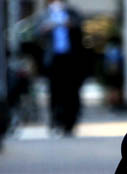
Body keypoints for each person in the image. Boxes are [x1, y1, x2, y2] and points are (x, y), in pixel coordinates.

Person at [37, 0, 84, 135]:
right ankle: (55, 121)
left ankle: (70, 123)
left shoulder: (71, 13)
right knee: (55, 92)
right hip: (53, 59)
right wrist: (48, 27)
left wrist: (68, 23)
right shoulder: (45, 15)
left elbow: (80, 25)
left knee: (71, 91)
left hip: (71, 59)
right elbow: (37, 32)